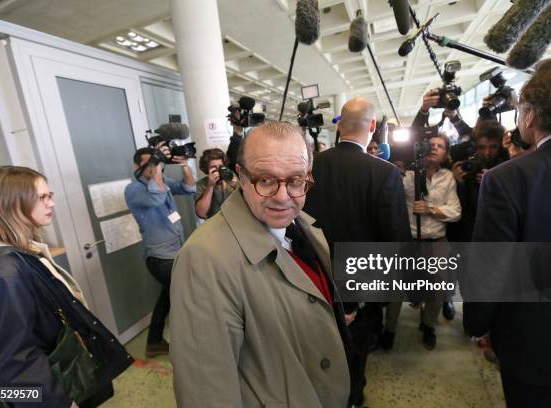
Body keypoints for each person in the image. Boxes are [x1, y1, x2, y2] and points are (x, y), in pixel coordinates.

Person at [170, 121, 351, 407]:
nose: (282, 197)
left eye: (295, 180)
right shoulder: (204, 259)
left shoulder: (304, 227)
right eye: (265, 180)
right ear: (241, 176)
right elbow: (206, 392)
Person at [464, 54, 551, 407]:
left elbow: (491, 268)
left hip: (537, 350)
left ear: (530, 114)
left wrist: (479, 323)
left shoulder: (510, 178)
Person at [0, 166, 132, 407]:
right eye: (42, 198)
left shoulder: (23, 252)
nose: (51, 204)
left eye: (50, 196)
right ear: (11, 204)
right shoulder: (2, 273)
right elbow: (16, 361)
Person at [304, 96, 411, 407]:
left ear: (339, 124)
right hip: (362, 288)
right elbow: (395, 242)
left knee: (319, 350)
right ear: (373, 127)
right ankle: (352, 398)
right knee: (356, 355)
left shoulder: (312, 167)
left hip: (314, 281)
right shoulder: (384, 173)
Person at [389, 133, 461, 350]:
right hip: (408, 240)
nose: (434, 148)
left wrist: (430, 210)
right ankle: (389, 328)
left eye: (440, 146)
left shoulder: (448, 177)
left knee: (437, 288)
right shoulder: (407, 175)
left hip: (437, 241)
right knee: (396, 286)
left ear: (446, 153)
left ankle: (428, 325)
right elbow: (393, 203)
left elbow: (456, 211)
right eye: (431, 145)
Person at [124, 147, 195, 358]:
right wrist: (157, 169)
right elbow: (155, 198)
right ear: (137, 166)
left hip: (175, 253)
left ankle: (153, 342)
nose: (153, 167)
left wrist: (185, 167)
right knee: (187, 295)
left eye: (154, 162)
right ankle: (191, 344)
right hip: (160, 258)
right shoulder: (133, 190)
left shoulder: (162, 182)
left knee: (168, 298)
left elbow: (189, 189)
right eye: (148, 163)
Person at [195, 148, 238, 219]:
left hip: (235, 219)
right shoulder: (201, 184)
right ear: (206, 169)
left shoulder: (231, 176)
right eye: (213, 167)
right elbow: (201, 213)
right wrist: (210, 186)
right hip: (214, 224)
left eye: (221, 166)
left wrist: (236, 187)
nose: (218, 170)